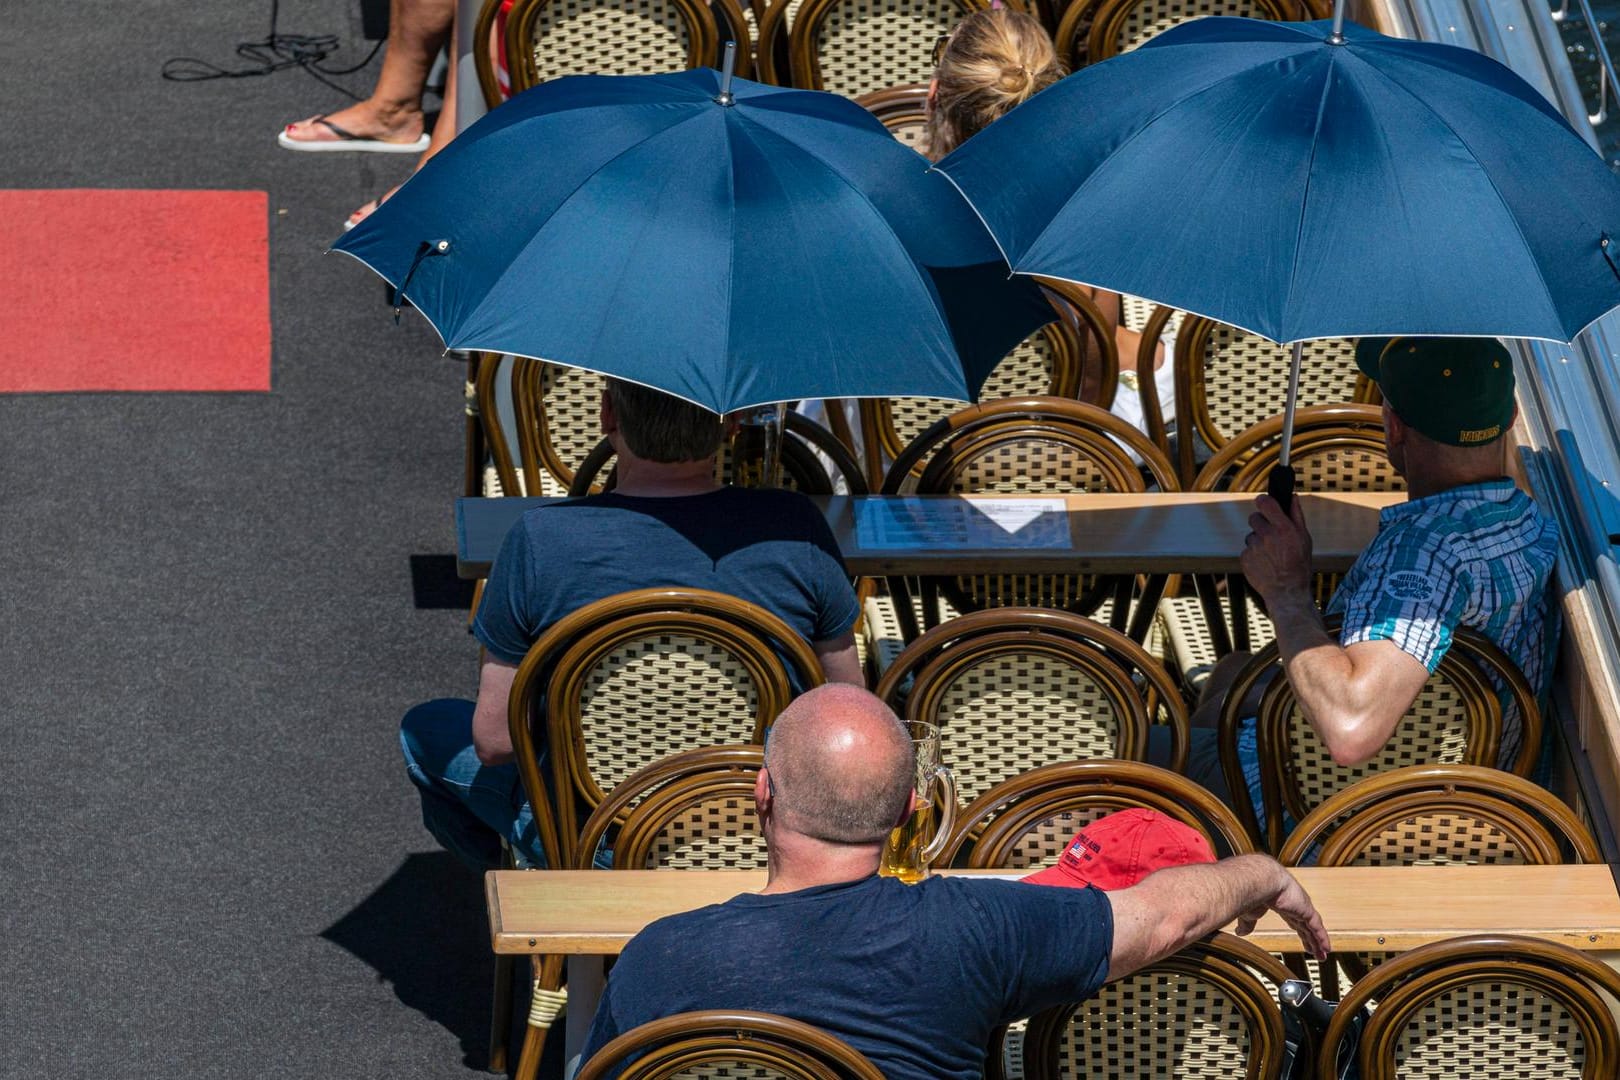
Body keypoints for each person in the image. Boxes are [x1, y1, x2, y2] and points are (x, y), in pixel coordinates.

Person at [580, 684, 1331, 1080]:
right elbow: (1163, 917)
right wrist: (1260, 871)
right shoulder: (975, 926)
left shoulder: (656, 956)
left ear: (761, 794)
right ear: (912, 808)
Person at [399, 380, 863, 869]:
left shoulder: (540, 539)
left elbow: (495, 743)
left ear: (607, 417)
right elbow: (853, 708)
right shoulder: (796, 526)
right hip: (756, 831)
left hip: (595, 837)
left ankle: (535, 887)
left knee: (423, 730)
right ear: (728, 423)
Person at [1191, 336, 1558, 805]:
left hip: (1323, 815)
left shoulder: (1425, 552)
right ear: (1509, 419)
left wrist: (1286, 592)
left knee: (1151, 748)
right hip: (1464, 802)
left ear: (1394, 427)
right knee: (1229, 674)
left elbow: (1351, 730)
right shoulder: (1532, 524)